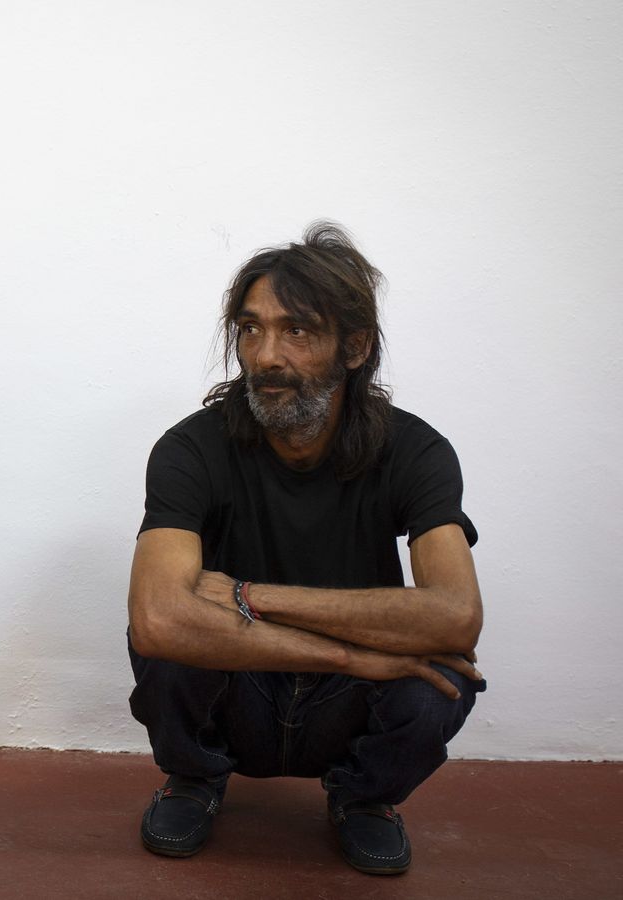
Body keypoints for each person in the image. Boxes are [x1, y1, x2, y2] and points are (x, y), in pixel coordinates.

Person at [124, 222, 486, 875]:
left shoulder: (416, 451)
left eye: (296, 331)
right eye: (250, 329)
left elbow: (457, 615)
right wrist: (350, 653)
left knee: (445, 677)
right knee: (169, 645)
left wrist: (248, 595)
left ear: (355, 346)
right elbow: (157, 618)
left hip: (347, 701)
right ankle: (194, 779)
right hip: (240, 683)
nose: (265, 355)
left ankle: (365, 797)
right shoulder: (190, 448)